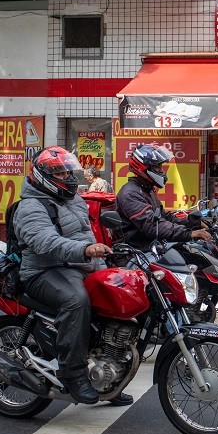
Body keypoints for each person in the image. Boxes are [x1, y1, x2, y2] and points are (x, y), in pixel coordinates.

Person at [13, 146, 132, 406]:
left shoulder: (73, 200)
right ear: (42, 175)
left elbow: (86, 236)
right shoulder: (30, 207)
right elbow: (45, 241)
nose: (67, 177)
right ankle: (73, 373)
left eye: (68, 171)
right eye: (59, 172)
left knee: (120, 292)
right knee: (76, 300)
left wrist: (103, 257)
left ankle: (110, 377)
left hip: (80, 265)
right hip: (44, 271)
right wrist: (85, 250)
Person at [116, 144, 211, 251]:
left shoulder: (147, 190)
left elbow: (166, 217)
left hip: (151, 247)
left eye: (161, 166)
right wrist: (189, 234)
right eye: (157, 167)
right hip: (136, 252)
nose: (162, 171)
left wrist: (194, 224)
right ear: (142, 168)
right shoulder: (131, 194)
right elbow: (152, 227)